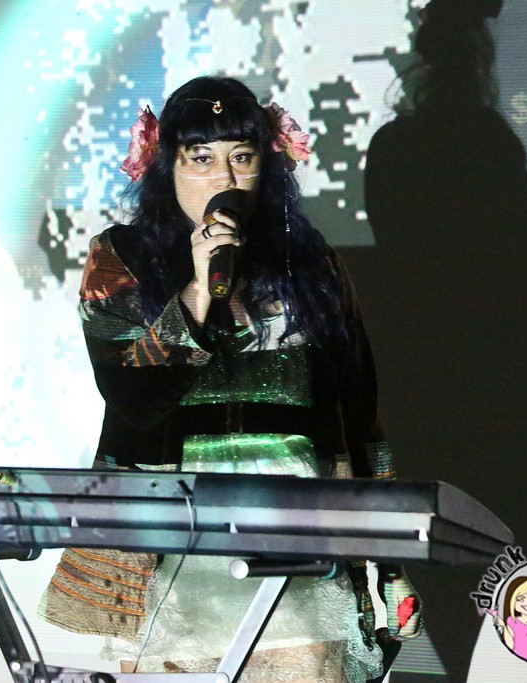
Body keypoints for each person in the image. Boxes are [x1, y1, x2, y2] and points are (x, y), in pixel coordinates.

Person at [38, 76, 419, 683]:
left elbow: (360, 412)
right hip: (172, 551)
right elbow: (132, 396)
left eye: (241, 157)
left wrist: (391, 563)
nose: (224, 178)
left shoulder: (312, 264)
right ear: (167, 164)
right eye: (201, 158)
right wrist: (197, 288)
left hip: (300, 547)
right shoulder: (121, 257)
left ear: (268, 164)